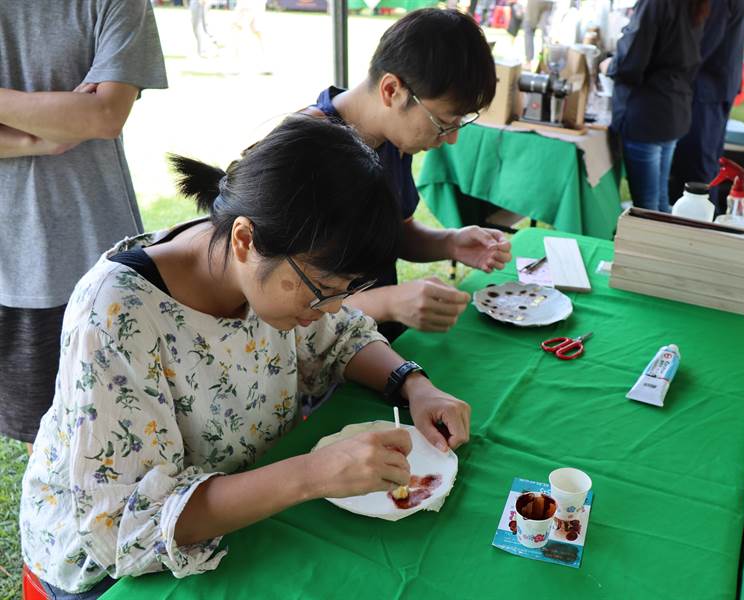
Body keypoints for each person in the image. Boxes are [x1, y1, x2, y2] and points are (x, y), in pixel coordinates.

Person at [20, 115, 473, 599]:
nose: (333, 308)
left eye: (347, 291)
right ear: (243, 240)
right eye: (323, 291)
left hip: (244, 503)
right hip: (108, 571)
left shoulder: (268, 262)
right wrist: (313, 474)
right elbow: (124, 528)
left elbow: (339, 337)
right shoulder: (117, 313)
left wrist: (414, 384)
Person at [0, 0, 167, 450]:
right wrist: (44, 134)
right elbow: (90, 115)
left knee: (115, 432)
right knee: (45, 445)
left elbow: (104, 115)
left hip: (95, 252)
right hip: (10, 263)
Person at [304, 9, 511, 342]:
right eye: (445, 122)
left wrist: (451, 243)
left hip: (375, 347)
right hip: (317, 367)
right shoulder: (304, 156)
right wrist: (386, 303)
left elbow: (395, 232)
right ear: (392, 91)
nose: (452, 138)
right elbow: (282, 301)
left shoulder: (390, 139)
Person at [601, 0, 709, 213]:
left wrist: (609, 66)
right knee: (659, 199)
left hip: (648, 112)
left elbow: (632, 60)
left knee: (647, 206)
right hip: (672, 106)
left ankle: (654, 245)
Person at [669, 0, 744, 214]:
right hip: (715, 83)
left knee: (697, 166)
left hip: (707, 87)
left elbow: (703, 43)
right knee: (704, 163)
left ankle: (699, 227)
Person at [524, 0, 555, 68]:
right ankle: (544, 64)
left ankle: (529, 62)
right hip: (550, 2)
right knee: (546, 34)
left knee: (529, 30)